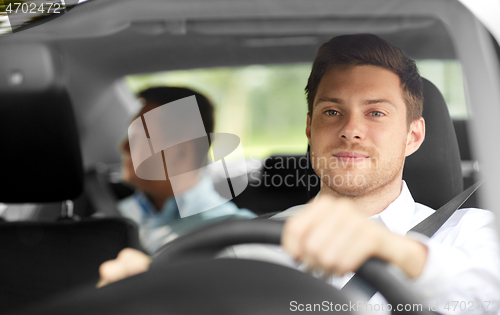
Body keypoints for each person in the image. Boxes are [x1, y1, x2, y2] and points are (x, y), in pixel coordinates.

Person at [98, 34, 500, 313]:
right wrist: (139, 300)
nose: (350, 129)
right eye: (332, 111)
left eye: (375, 112)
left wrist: (395, 250)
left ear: (413, 136)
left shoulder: (472, 233)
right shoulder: (247, 249)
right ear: (310, 130)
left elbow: (487, 297)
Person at [117, 86, 255, 254]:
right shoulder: (111, 216)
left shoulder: (239, 235)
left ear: (181, 152)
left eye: (138, 137)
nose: (123, 147)